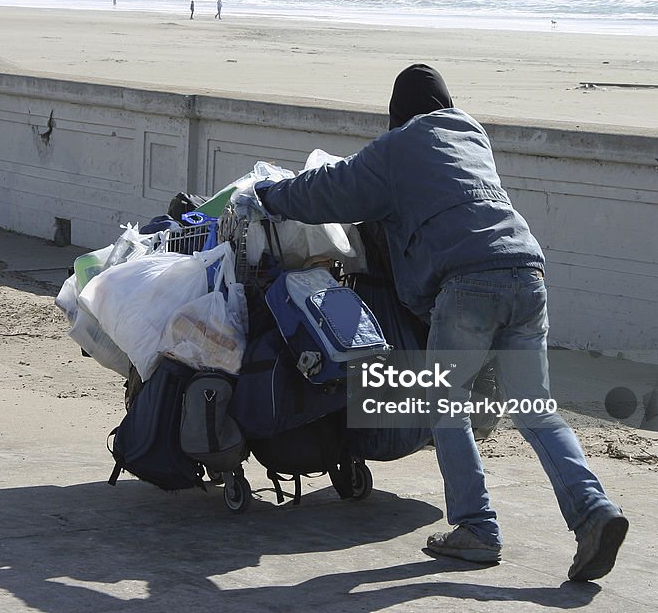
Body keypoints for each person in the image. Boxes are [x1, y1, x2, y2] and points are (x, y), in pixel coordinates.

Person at [240, 63, 628, 582]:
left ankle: (476, 527)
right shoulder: (471, 134)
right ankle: (593, 511)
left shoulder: (399, 146)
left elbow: (331, 190)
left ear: (398, 112)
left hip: (468, 286)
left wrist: (268, 196)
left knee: (445, 407)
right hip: (526, 271)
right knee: (535, 409)